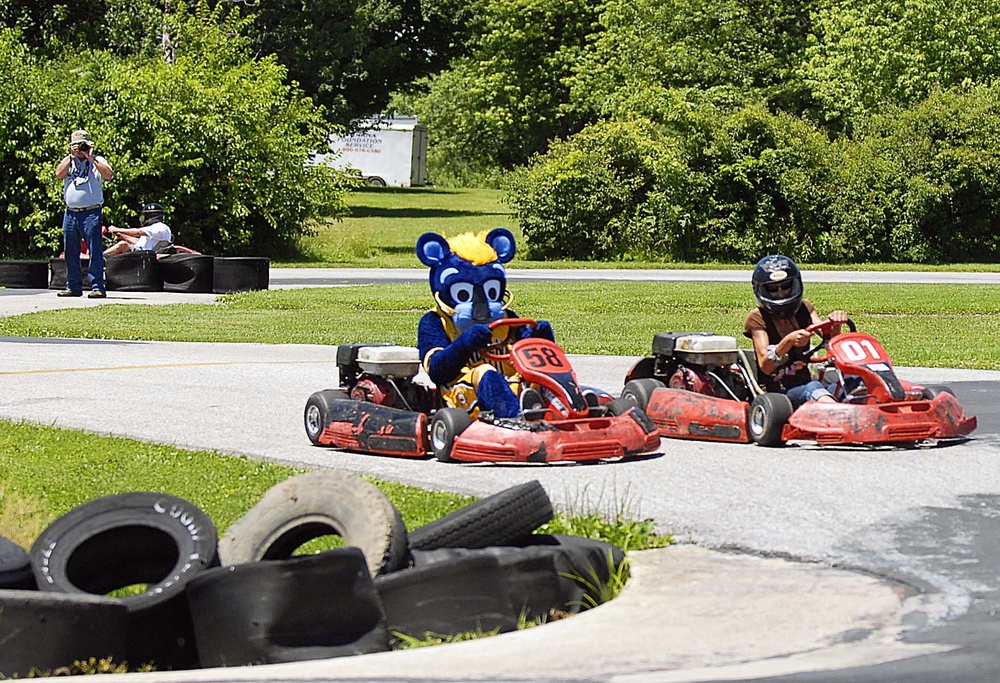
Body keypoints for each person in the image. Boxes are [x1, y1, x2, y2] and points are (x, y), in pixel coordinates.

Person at [744, 254, 850, 409]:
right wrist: (788, 342)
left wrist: (835, 324)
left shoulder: (804, 309)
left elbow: (830, 341)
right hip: (777, 392)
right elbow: (765, 365)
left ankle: (874, 414)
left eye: (786, 286)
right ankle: (840, 414)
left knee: (851, 383)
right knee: (813, 388)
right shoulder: (757, 318)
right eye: (773, 289)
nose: (780, 293)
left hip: (807, 384)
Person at [55, 129, 113, 298]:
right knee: (70, 250)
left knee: (95, 250)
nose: (80, 148)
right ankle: (73, 286)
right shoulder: (69, 161)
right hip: (71, 213)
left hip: (91, 212)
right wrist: (70, 156)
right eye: (77, 145)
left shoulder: (97, 160)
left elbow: (108, 175)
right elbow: (58, 174)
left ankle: (97, 287)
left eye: (83, 144)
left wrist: (90, 157)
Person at [104, 202, 173, 257]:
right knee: (122, 244)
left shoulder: (160, 227)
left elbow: (138, 232)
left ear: (150, 216)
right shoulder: (152, 230)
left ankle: (99, 259)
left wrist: (117, 229)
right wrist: (122, 235)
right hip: (143, 253)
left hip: (146, 256)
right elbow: (139, 243)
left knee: (123, 245)